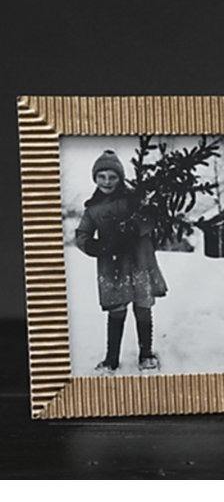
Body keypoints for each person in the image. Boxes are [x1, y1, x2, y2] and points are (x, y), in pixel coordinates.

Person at [75, 150, 168, 374]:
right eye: (101, 176)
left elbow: (151, 217)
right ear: (95, 178)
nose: (107, 182)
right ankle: (111, 359)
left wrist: (135, 227)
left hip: (140, 261)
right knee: (116, 309)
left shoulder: (134, 198)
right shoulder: (92, 208)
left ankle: (146, 355)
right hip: (113, 266)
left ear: (120, 178)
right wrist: (94, 246)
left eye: (112, 177)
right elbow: (81, 234)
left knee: (143, 306)